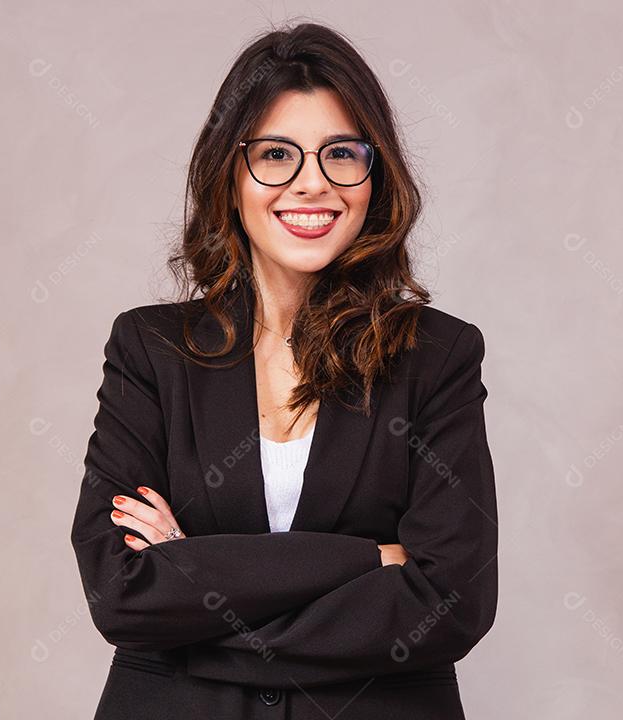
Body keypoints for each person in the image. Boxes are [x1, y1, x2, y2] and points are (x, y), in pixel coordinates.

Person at [70, 20, 498, 720]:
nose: (313, 185)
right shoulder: (150, 350)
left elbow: (451, 601)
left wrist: (195, 577)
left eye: (342, 154)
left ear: (375, 173)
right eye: (276, 154)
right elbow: (120, 590)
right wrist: (367, 560)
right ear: (229, 173)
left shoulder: (437, 357)